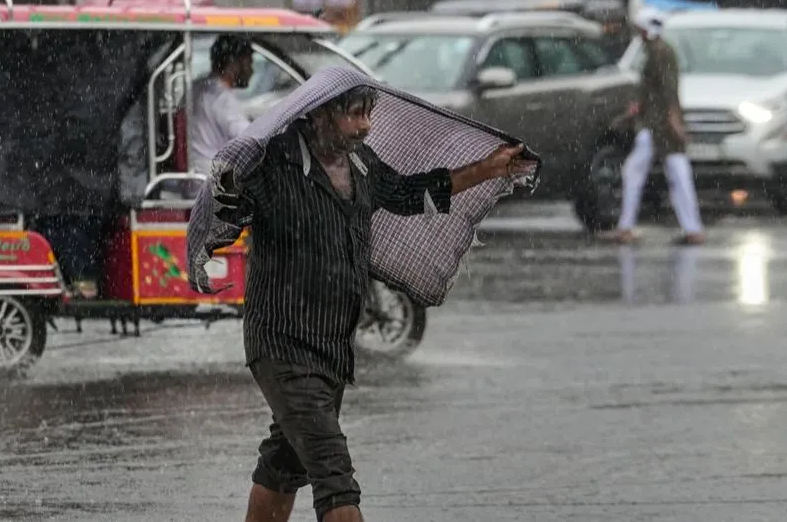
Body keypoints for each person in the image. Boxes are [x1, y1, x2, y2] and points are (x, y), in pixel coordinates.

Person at [195, 85, 537, 522]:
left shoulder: (360, 164)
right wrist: (225, 190)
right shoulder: (273, 164)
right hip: (283, 346)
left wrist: (487, 169)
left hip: (332, 347)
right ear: (318, 115)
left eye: (367, 114)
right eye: (354, 115)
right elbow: (229, 201)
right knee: (336, 479)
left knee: (286, 462)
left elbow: (412, 193)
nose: (365, 126)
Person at [612, 7, 704, 245]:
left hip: (658, 126)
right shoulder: (657, 51)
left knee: (654, 173)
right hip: (657, 124)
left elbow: (668, 90)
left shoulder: (661, 52)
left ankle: (627, 226)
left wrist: (674, 122)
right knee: (675, 174)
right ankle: (691, 228)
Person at [189, 35, 254, 175]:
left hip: (196, 172)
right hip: (212, 180)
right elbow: (250, 140)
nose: (251, 70)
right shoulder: (221, 98)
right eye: (249, 62)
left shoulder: (197, 88)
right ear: (233, 64)